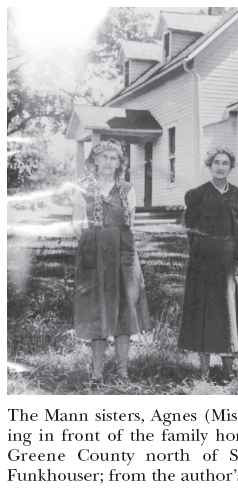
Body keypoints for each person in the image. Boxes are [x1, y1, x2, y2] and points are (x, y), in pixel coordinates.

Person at [72, 139, 150, 385]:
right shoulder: (82, 188)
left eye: (113, 158)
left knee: (124, 311)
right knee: (98, 312)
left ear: (120, 163)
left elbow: (131, 225)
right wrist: (93, 242)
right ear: (94, 160)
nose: (108, 162)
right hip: (93, 255)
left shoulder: (128, 189)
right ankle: (97, 373)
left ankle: (122, 371)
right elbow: (76, 227)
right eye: (104, 157)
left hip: (123, 256)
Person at [178, 146, 238, 381]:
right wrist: (200, 253)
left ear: (231, 167)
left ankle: (228, 370)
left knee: (229, 312)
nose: (220, 167)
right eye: (216, 163)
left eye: (225, 163)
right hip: (204, 259)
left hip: (230, 260)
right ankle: (204, 373)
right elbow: (191, 230)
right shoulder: (197, 194)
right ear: (209, 166)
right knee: (205, 313)